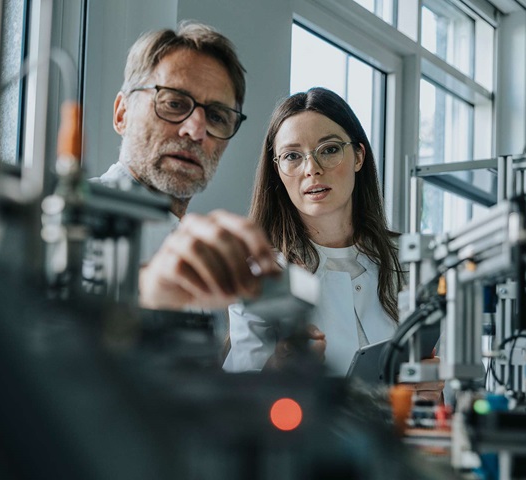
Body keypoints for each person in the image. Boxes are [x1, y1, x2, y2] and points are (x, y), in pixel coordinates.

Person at [93, 21, 279, 310]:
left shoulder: (202, 256)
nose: (196, 130)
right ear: (122, 114)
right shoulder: (64, 219)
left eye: (217, 116)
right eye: (174, 103)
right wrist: (146, 290)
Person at [223, 87, 404, 376]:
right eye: (292, 156)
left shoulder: (409, 263)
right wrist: (278, 369)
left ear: (358, 156)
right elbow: (238, 402)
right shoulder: (260, 275)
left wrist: (435, 390)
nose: (312, 169)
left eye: (329, 150)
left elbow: (461, 380)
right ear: (278, 172)